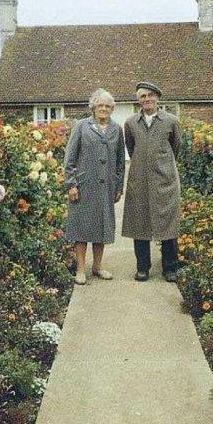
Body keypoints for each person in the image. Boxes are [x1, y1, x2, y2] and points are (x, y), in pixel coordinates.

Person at [63, 88, 126, 285]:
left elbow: (120, 162)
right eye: (100, 105)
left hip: (106, 187)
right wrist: (71, 184)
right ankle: (81, 270)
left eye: (107, 106)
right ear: (93, 107)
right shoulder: (81, 126)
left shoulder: (117, 129)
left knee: (102, 226)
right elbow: (69, 158)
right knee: (81, 228)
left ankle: (97, 267)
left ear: (112, 109)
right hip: (83, 186)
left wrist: (119, 187)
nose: (103, 109)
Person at [121, 82, 181, 282]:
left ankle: (170, 268)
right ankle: (142, 268)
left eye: (150, 95)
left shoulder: (171, 121)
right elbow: (131, 148)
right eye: (142, 96)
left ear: (157, 98)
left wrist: (162, 166)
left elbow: (176, 148)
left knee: (168, 223)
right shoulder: (131, 123)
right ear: (138, 100)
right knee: (139, 223)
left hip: (165, 181)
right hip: (139, 181)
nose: (146, 99)